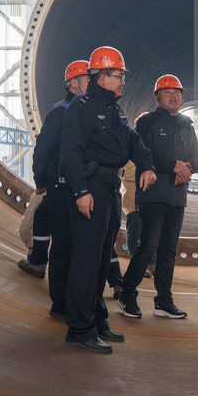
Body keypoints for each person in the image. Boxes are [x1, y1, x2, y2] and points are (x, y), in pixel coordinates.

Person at [60, 46, 156, 353]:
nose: (123, 81)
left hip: (110, 188)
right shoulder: (81, 107)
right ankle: (79, 329)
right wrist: (80, 192)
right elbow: (70, 153)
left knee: (102, 261)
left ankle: (98, 321)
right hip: (91, 188)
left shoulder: (116, 110)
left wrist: (148, 165)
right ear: (101, 76)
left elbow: (133, 142)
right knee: (85, 262)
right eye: (118, 75)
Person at [118, 75, 198, 320]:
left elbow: (197, 156)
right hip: (153, 194)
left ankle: (164, 301)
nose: (173, 95)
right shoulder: (148, 122)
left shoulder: (187, 124)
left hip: (177, 195)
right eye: (166, 92)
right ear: (157, 97)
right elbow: (143, 152)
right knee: (147, 247)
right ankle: (127, 294)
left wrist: (186, 168)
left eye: (176, 91)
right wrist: (172, 166)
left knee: (168, 250)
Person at [18, 60, 89, 293]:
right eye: (88, 79)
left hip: (73, 184)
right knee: (49, 219)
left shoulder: (82, 111)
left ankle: (39, 262)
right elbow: (45, 148)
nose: (93, 84)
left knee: (48, 220)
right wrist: (41, 180)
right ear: (73, 84)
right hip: (62, 182)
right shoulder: (64, 112)